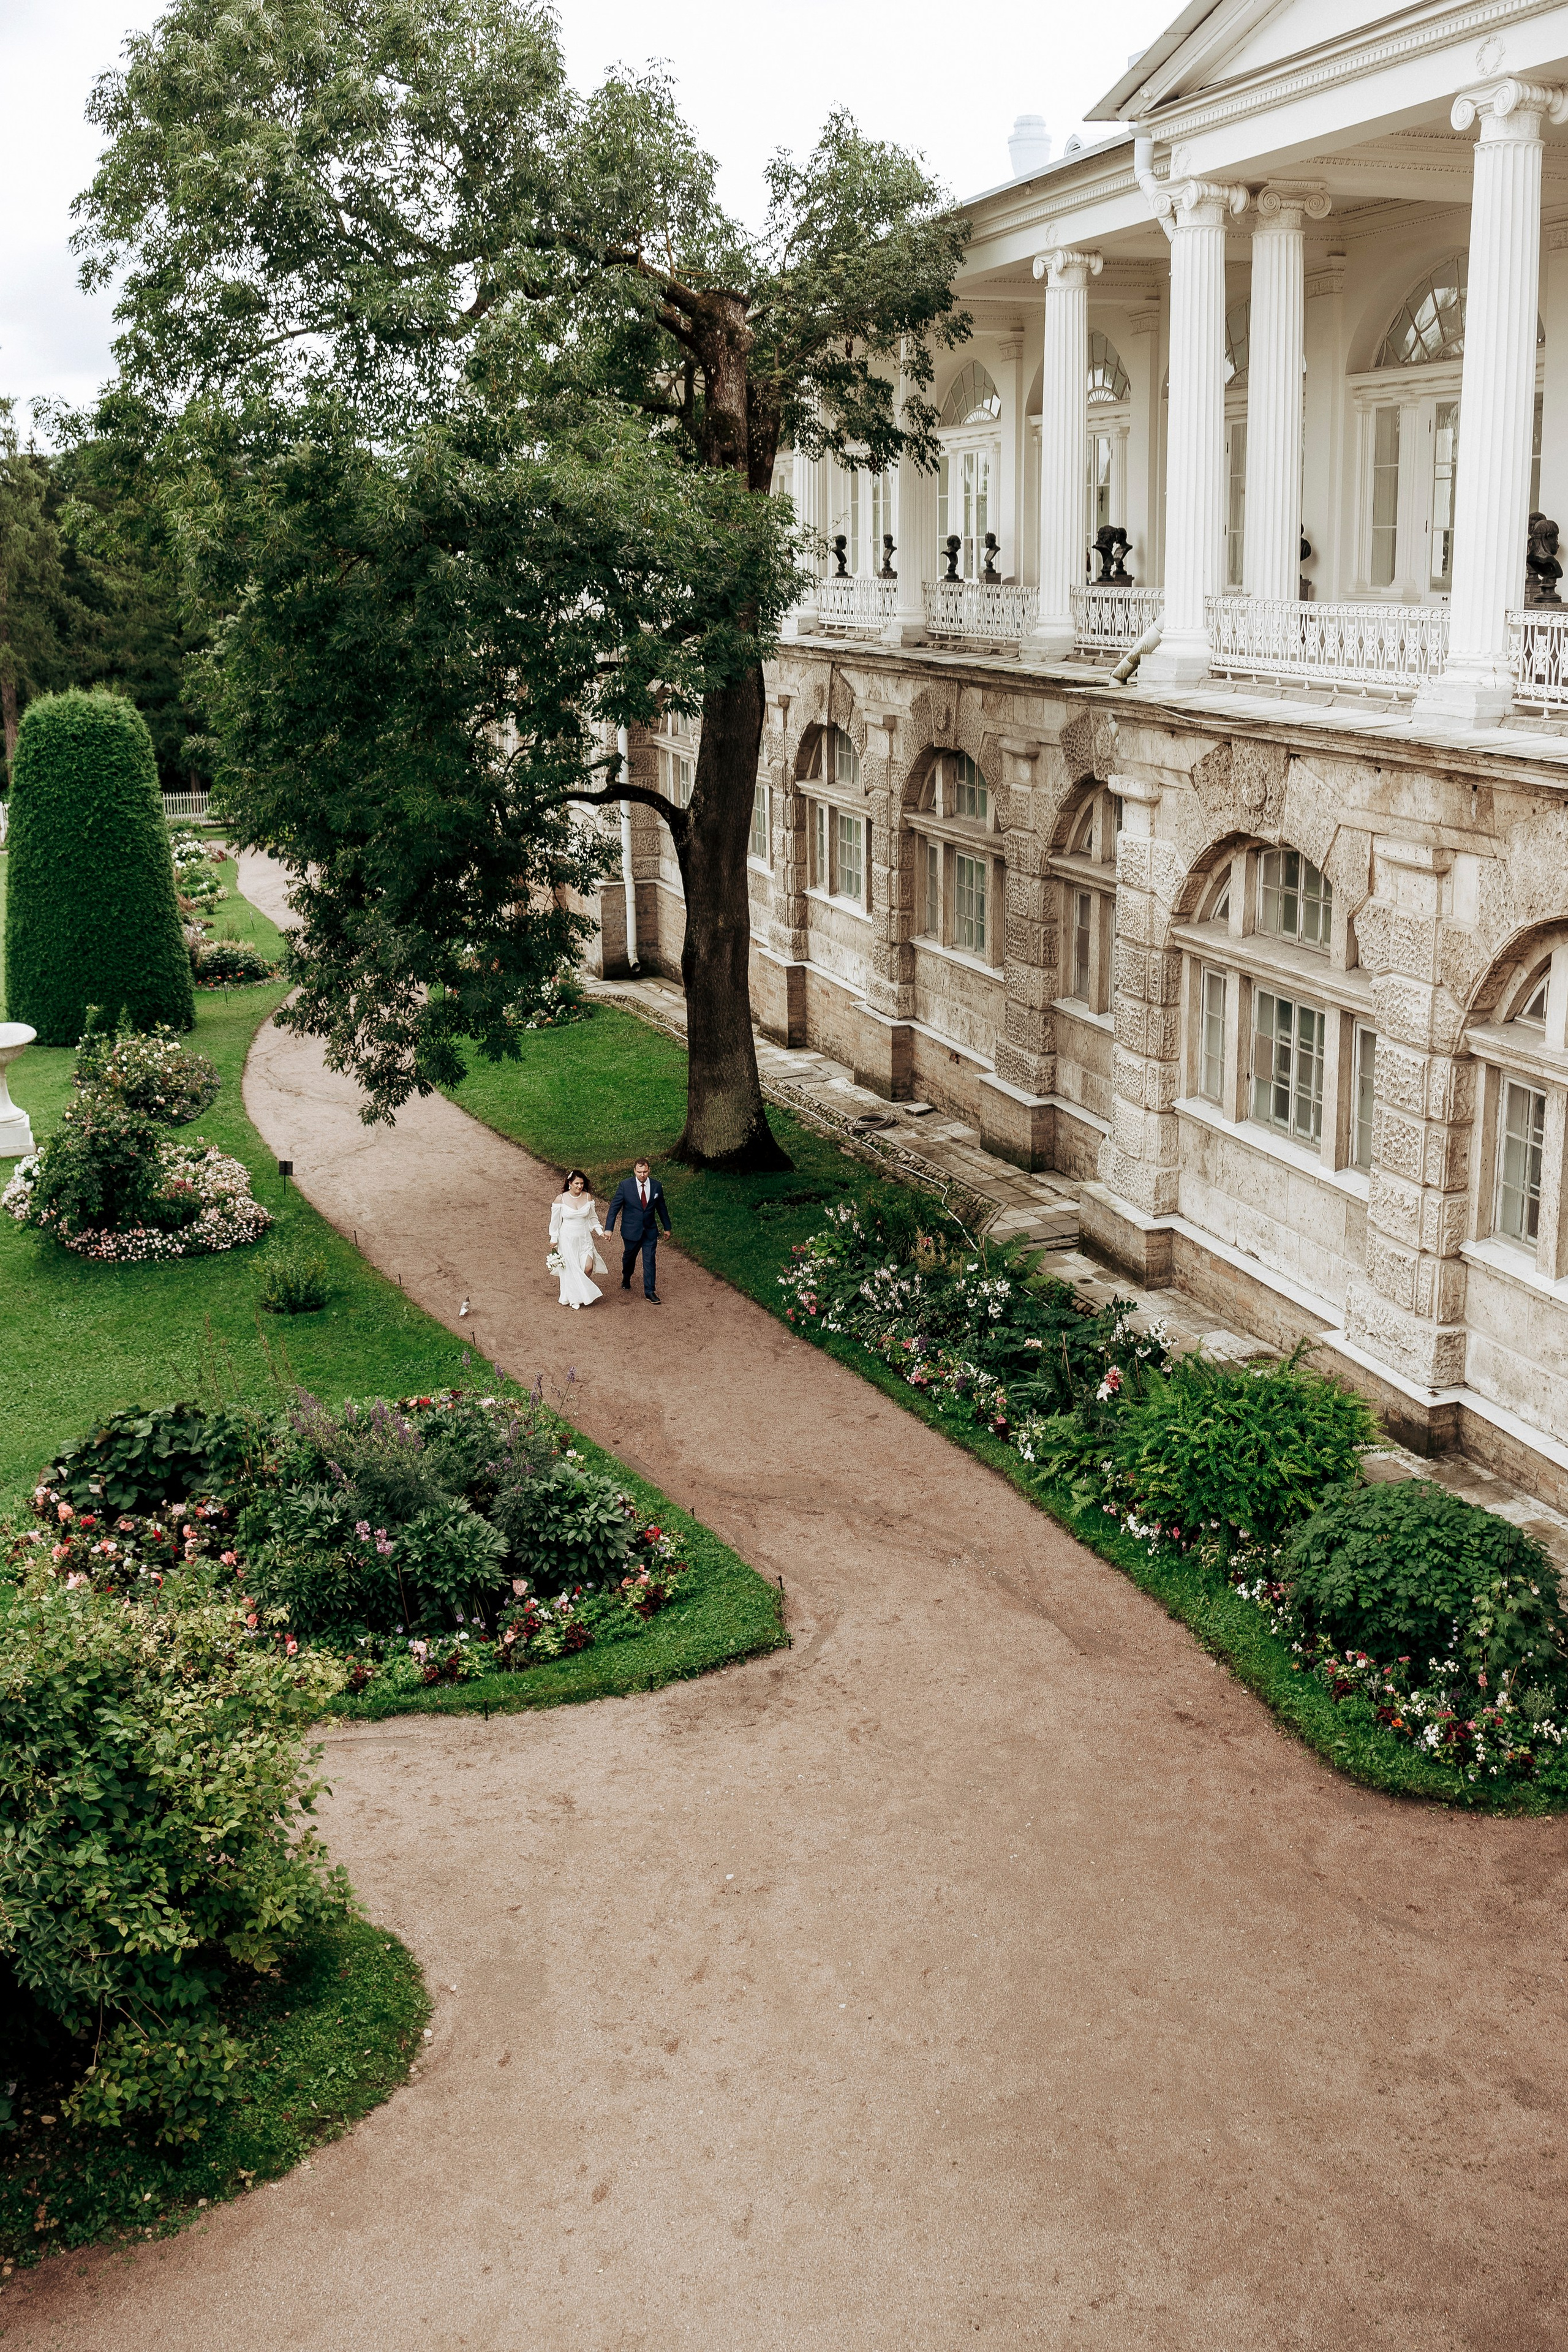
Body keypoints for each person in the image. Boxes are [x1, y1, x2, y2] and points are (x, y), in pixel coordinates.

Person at [604, 1156, 671, 1303]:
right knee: (629, 1258)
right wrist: (609, 1228)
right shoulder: (625, 1186)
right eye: (640, 1172)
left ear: (649, 1171)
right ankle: (626, 1277)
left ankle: (649, 1291)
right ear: (634, 1171)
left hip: (649, 1231)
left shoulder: (656, 1186)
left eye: (645, 1172)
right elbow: (614, 1207)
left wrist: (667, 1227)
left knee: (649, 1260)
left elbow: (661, 1208)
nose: (642, 1175)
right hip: (631, 1231)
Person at [548, 1169, 608, 1309]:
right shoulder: (560, 1199)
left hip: (584, 1238)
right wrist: (554, 1238)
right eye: (577, 1183)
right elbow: (555, 1221)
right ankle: (575, 1296)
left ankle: (579, 1292)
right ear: (570, 1183)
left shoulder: (588, 1197)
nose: (579, 1186)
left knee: (588, 1267)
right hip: (567, 1239)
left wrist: (600, 1232)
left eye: (582, 1183)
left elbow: (593, 1218)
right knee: (571, 1268)